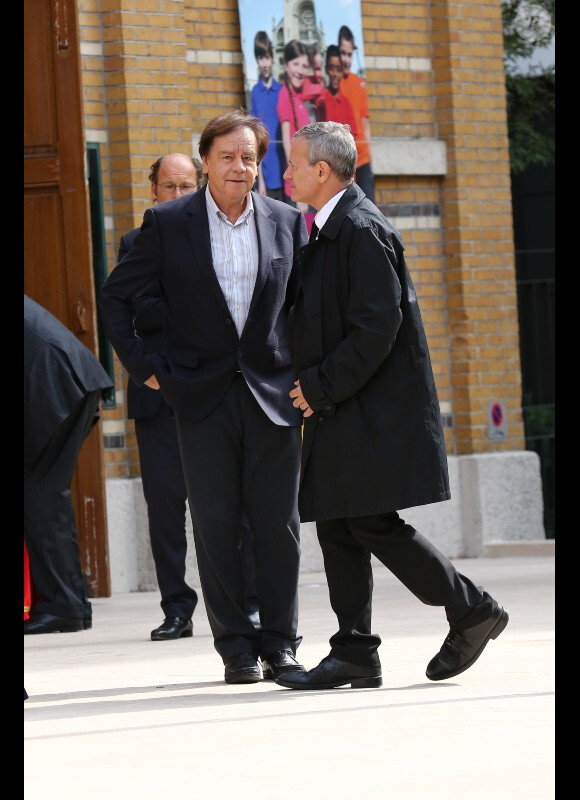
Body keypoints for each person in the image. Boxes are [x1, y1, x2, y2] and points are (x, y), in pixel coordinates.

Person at [276, 122, 509, 690]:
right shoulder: (328, 229)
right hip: (341, 410)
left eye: (293, 164)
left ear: (322, 172)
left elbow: (378, 327)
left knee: (370, 522)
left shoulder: (360, 230)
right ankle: (354, 651)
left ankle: (471, 607)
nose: (283, 175)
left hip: (366, 411)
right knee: (337, 523)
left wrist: (322, 385)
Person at [99, 109, 309, 685]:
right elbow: (116, 298)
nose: (239, 167)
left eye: (249, 157)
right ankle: (236, 648)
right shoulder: (168, 223)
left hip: (272, 393)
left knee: (278, 525)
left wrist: (307, 380)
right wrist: (146, 369)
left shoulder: (288, 222)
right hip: (200, 395)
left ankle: (282, 642)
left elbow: (306, 310)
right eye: (227, 157)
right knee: (215, 523)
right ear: (206, 163)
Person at [118, 152, 259, 640]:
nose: (176, 195)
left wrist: (172, 303)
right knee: (164, 506)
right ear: (153, 191)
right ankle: (177, 607)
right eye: (168, 187)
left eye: (185, 186)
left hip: (216, 389)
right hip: (159, 392)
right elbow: (134, 307)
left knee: (235, 501)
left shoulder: (216, 235)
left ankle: (250, 602)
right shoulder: (137, 241)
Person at [24, 295, 114, 634]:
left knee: (40, 493)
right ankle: (72, 605)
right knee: (46, 493)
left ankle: (64, 607)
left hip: (56, 381)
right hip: (67, 378)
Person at [277, 39, 325, 212]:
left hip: (311, 180)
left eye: (305, 66)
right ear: (286, 65)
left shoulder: (299, 95)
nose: (300, 70)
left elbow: (319, 89)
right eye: (295, 64)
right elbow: (286, 141)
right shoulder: (284, 95)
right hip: (299, 184)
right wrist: (298, 185)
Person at [337, 25, 375, 203]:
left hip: (363, 160)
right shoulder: (334, 85)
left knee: (370, 211)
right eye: (343, 53)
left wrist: (369, 156)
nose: (346, 59)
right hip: (342, 161)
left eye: (349, 54)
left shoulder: (360, 83)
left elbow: (365, 124)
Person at [250, 31, 285, 201]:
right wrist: (260, 182)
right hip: (267, 177)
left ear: (272, 58)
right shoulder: (255, 93)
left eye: (267, 58)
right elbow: (256, 139)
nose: (264, 63)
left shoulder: (282, 90)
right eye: (260, 59)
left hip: (287, 172)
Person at [314, 45, 358, 137]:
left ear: (342, 72)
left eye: (338, 70)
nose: (335, 74)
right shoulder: (320, 100)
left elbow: (352, 138)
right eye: (331, 68)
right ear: (326, 70)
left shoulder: (346, 104)